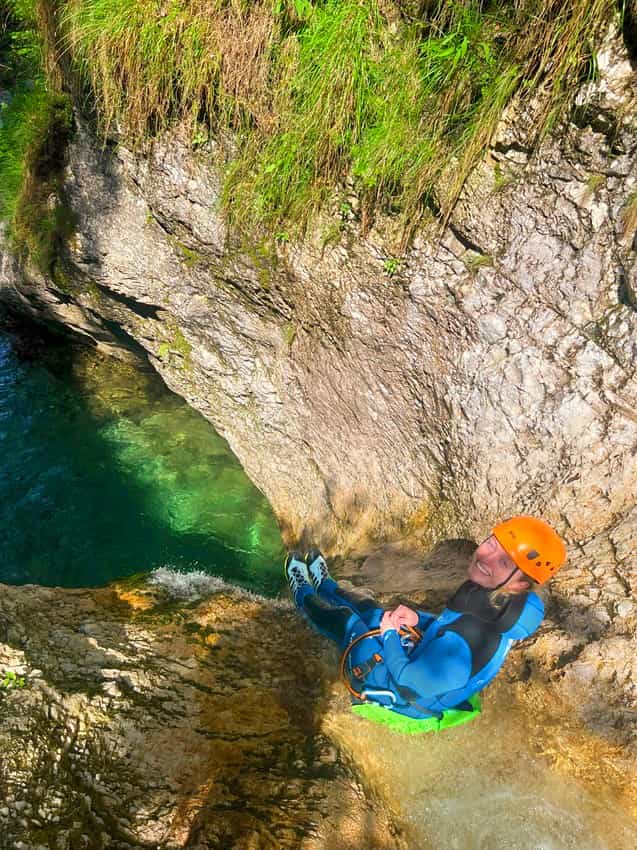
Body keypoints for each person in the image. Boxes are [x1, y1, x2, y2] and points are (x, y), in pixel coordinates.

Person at [285, 516, 567, 723]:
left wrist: (390, 636)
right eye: (491, 543)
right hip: (420, 662)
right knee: (373, 609)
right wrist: (417, 618)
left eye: (504, 562)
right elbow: (448, 626)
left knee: (348, 622)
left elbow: (409, 680)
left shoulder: (469, 646)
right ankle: (326, 586)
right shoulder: (492, 601)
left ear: (520, 584)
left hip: (400, 694)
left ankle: (303, 593)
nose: (484, 556)